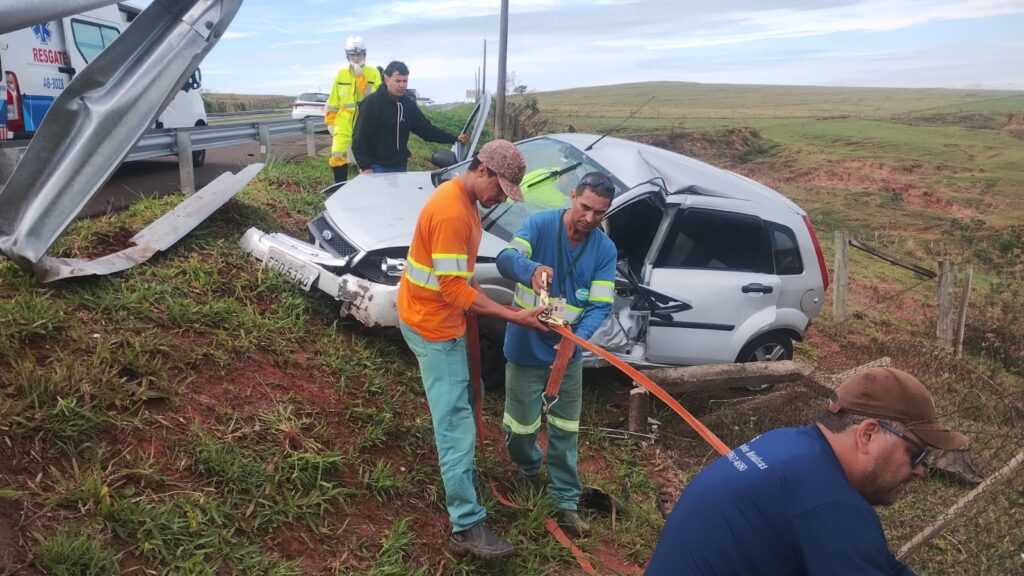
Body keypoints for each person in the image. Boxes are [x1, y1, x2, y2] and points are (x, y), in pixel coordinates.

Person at [646, 367, 969, 575]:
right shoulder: (829, 504)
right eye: (917, 453)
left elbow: (874, 561)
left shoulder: (786, 444)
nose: (920, 471)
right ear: (868, 434)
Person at [397, 139, 548, 559]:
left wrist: (482, 299)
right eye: (500, 188)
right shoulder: (451, 212)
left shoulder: (466, 204)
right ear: (482, 169)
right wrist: (513, 315)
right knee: (455, 424)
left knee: (464, 399)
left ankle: (463, 483)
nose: (501, 197)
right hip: (433, 327)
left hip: (435, 316)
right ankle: (466, 525)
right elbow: (453, 290)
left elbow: (461, 275)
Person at [495, 171, 618, 538]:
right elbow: (505, 258)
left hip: (568, 355)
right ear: (573, 196)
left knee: (566, 430)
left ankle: (565, 500)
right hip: (526, 348)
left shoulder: (604, 250)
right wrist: (530, 270)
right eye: (585, 207)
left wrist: (574, 341)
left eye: (600, 213)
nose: (590, 218)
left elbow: (600, 304)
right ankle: (529, 471)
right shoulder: (540, 226)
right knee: (520, 428)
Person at [351, 60, 467, 174]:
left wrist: (454, 138)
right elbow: (358, 139)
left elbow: (426, 130)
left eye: (405, 81)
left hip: (400, 165)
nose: (402, 85)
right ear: (386, 79)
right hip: (376, 167)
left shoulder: (408, 104)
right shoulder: (371, 103)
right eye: (398, 81)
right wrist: (365, 167)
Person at [324, 35, 382, 184]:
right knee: (337, 155)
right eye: (352, 55)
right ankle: (339, 187)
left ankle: (366, 188)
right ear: (347, 55)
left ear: (364, 54)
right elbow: (333, 100)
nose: (356, 58)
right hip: (343, 124)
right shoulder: (341, 74)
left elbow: (375, 99)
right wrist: (330, 122)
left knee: (364, 158)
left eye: (359, 55)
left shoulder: (373, 73)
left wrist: (361, 78)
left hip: (364, 122)